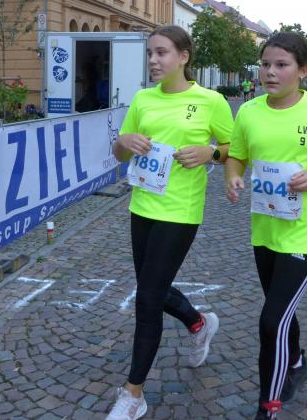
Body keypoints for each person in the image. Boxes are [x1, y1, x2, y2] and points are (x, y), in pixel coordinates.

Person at [224, 32, 307, 420]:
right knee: (281, 309)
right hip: (266, 228)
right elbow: (236, 155)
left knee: (272, 320)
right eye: (265, 64)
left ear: (303, 71)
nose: (270, 72)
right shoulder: (249, 112)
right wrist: (232, 177)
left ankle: (267, 408)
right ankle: (297, 363)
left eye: (281, 65)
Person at [106, 25, 233, 420]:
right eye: (150, 53)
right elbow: (119, 153)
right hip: (142, 207)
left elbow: (234, 149)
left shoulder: (210, 101)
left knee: (147, 299)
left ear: (183, 56)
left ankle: (133, 394)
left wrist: (210, 153)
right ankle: (199, 323)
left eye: (161, 53)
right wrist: (124, 143)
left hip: (180, 211)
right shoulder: (143, 99)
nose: (153, 60)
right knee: (153, 288)